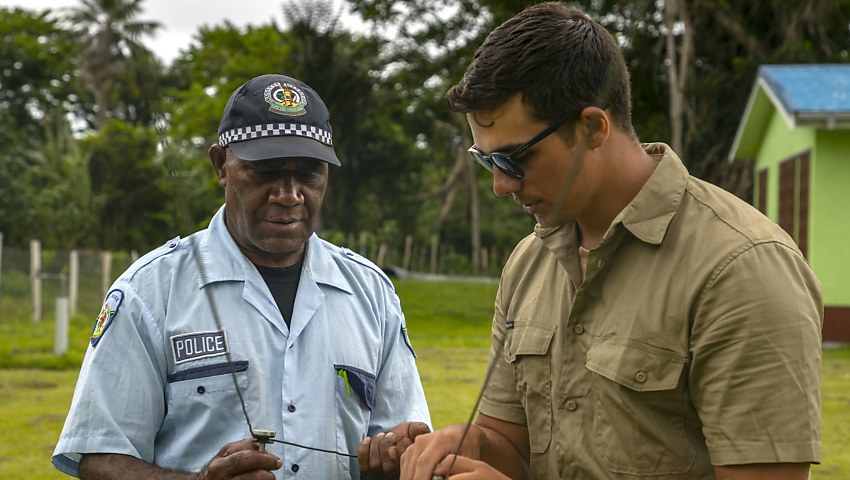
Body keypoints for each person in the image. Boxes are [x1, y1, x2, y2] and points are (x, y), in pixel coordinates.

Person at [401, 3, 822, 480]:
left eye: (515, 159)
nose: (501, 185)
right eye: (487, 161)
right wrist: (467, 446)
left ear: (592, 128)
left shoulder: (742, 270)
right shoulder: (529, 263)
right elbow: (515, 451)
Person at [52, 73, 432, 480]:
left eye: (308, 174)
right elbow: (99, 456)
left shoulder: (370, 293)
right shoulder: (150, 290)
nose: (289, 195)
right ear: (221, 166)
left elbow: (402, 440)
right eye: (265, 171)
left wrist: (395, 462)